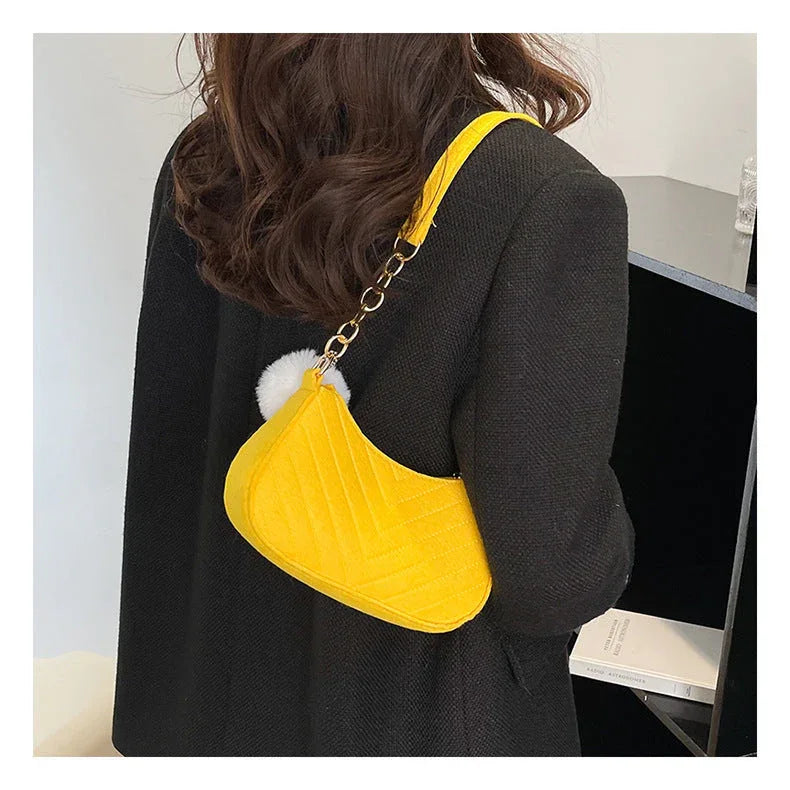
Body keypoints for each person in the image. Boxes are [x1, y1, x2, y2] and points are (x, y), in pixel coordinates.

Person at [112, 33, 635, 757]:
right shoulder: (540, 195)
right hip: (421, 725)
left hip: (204, 710)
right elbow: (550, 578)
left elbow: (169, 459)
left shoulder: (210, 157)